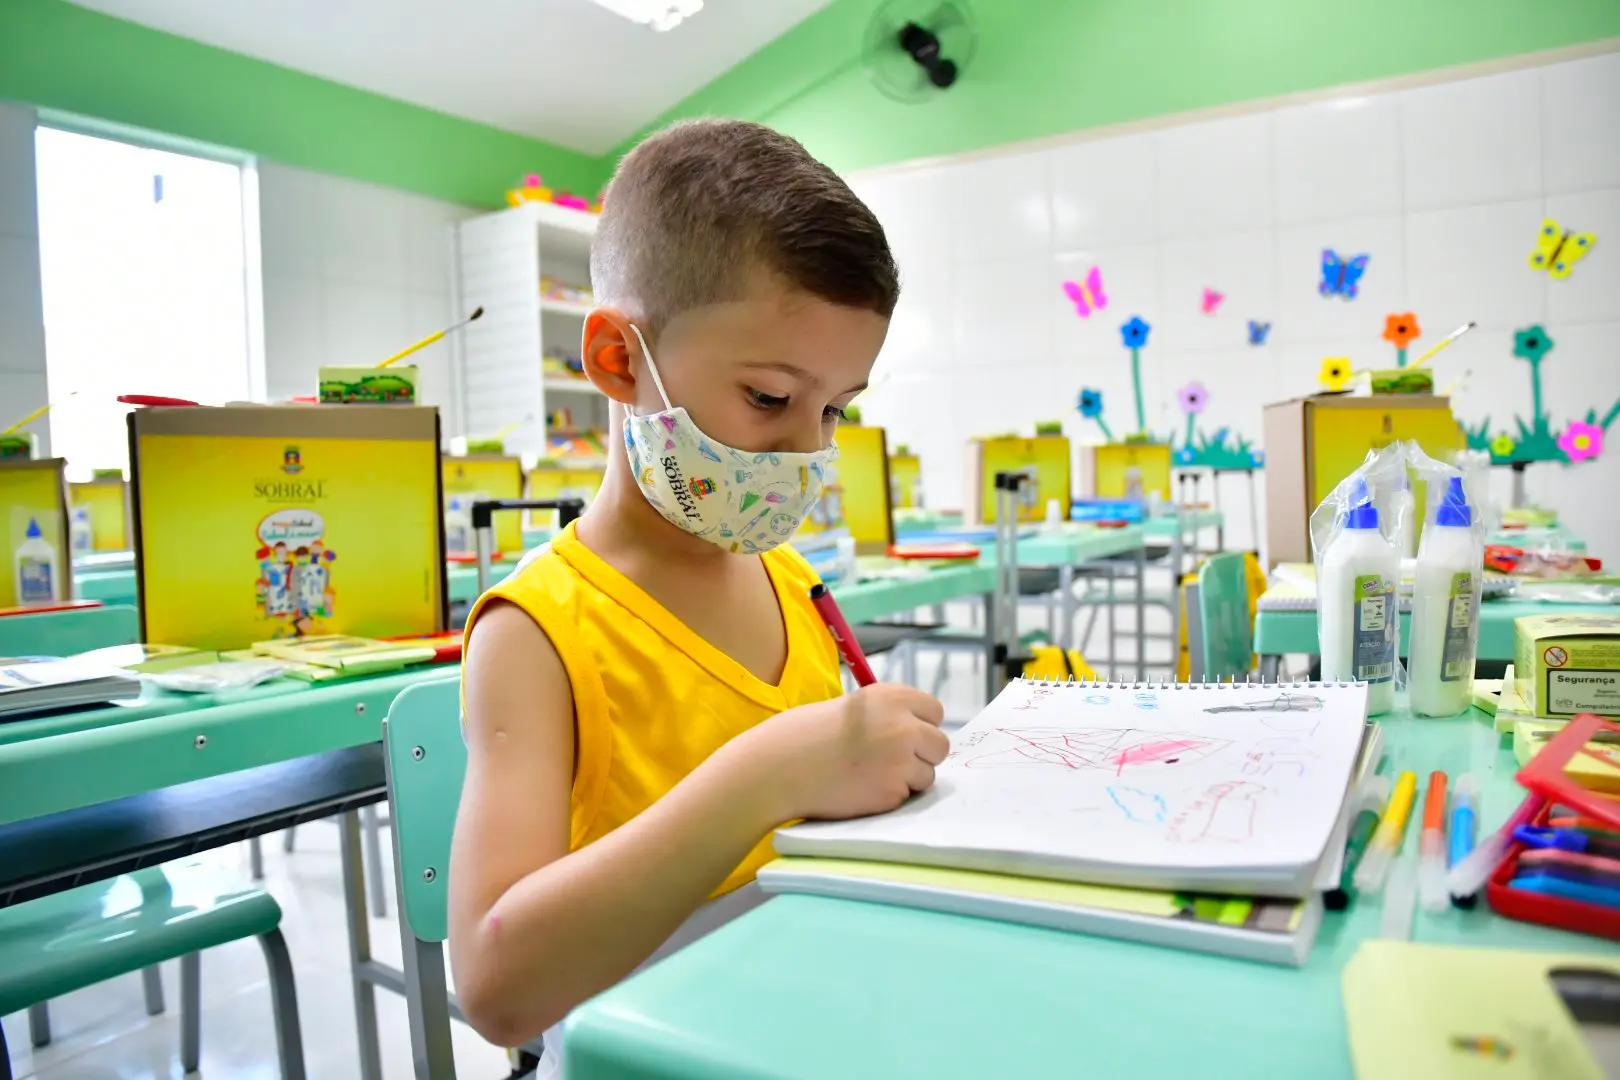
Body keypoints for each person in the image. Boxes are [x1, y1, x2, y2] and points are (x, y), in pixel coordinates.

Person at [450, 119, 948, 1062]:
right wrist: (770, 774)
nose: (810, 448)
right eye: (769, 397)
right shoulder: (537, 631)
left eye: (836, 408)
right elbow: (496, 990)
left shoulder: (794, 585)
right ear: (616, 360)